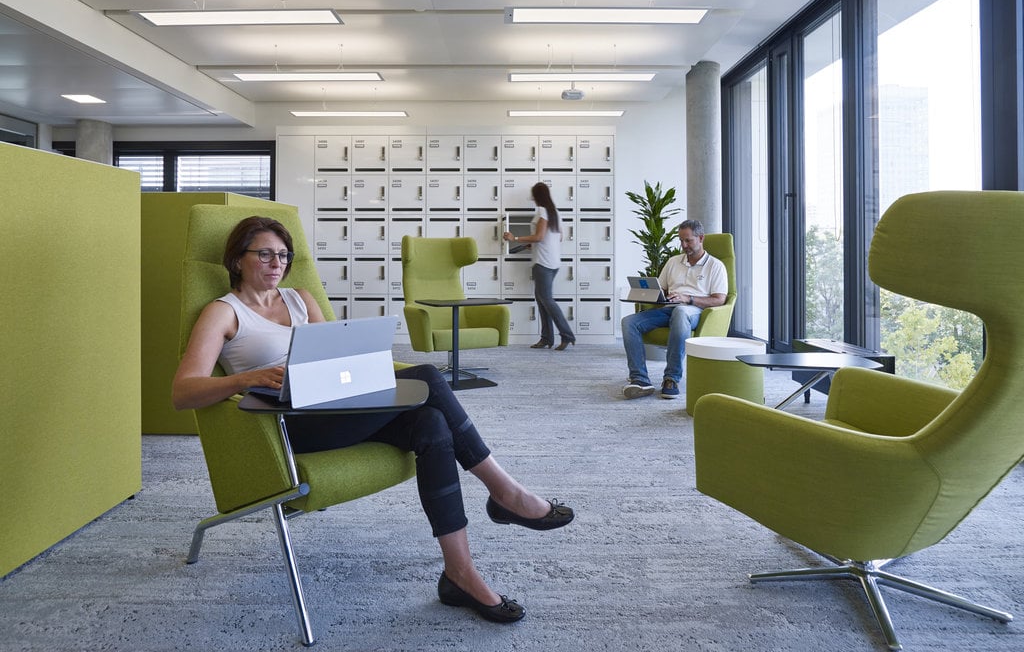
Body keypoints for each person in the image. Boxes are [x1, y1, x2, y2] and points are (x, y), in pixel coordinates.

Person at [172, 215, 574, 624]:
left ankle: (459, 573)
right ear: (237, 260)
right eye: (264, 254)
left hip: (335, 407)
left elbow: (333, 359)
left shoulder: (300, 299)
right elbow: (183, 392)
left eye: (283, 254)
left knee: (432, 423)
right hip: (287, 423)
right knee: (429, 376)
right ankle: (504, 492)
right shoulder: (224, 312)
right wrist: (247, 378)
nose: (277, 263)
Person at [620, 219, 727, 400]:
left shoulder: (715, 266)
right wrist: (649, 293)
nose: (684, 245)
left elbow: (719, 299)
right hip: (669, 308)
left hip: (694, 310)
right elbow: (662, 289)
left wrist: (688, 298)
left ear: (701, 238)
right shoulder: (673, 262)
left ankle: (671, 378)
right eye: (681, 240)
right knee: (629, 322)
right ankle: (640, 379)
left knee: (681, 312)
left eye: (688, 240)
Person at [502, 182, 576, 351]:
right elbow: (558, 237)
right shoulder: (554, 212)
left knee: (546, 300)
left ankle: (567, 335)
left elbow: (539, 237)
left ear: (537, 196)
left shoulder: (542, 211)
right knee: (542, 300)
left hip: (543, 263)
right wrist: (533, 245)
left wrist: (515, 238)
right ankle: (546, 338)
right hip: (552, 262)